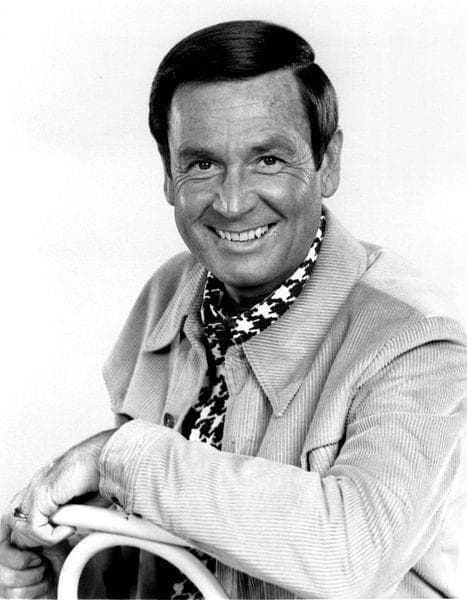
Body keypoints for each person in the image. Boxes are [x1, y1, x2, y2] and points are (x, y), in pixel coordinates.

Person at [1, 19, 466, 599]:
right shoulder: (170, 293)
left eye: (267, 159)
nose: (232, 201)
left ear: (327, 163)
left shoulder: (416, 340)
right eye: (202, 164)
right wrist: (61, 563)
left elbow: (351, 553)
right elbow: (158, 557)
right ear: (168, 176)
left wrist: (114, 457)